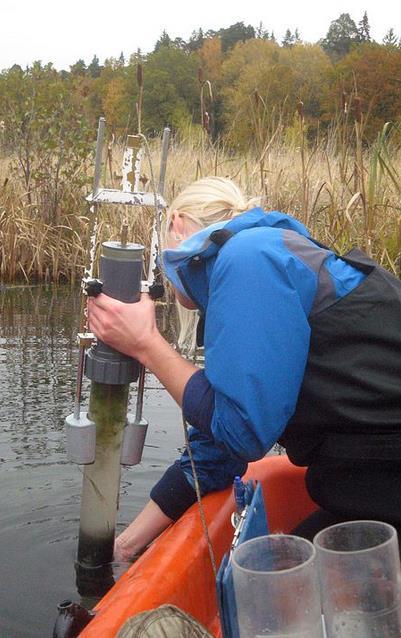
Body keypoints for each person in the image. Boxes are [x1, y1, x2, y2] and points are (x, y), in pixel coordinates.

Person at [88, 176, 401, 562]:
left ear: (177, 223)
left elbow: (241, 432)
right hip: (370, 485)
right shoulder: (256, 262)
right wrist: (126, 546)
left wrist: (147, 346)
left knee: (272, 593)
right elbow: (217, 450)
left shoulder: (249, 259)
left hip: (385, 483)